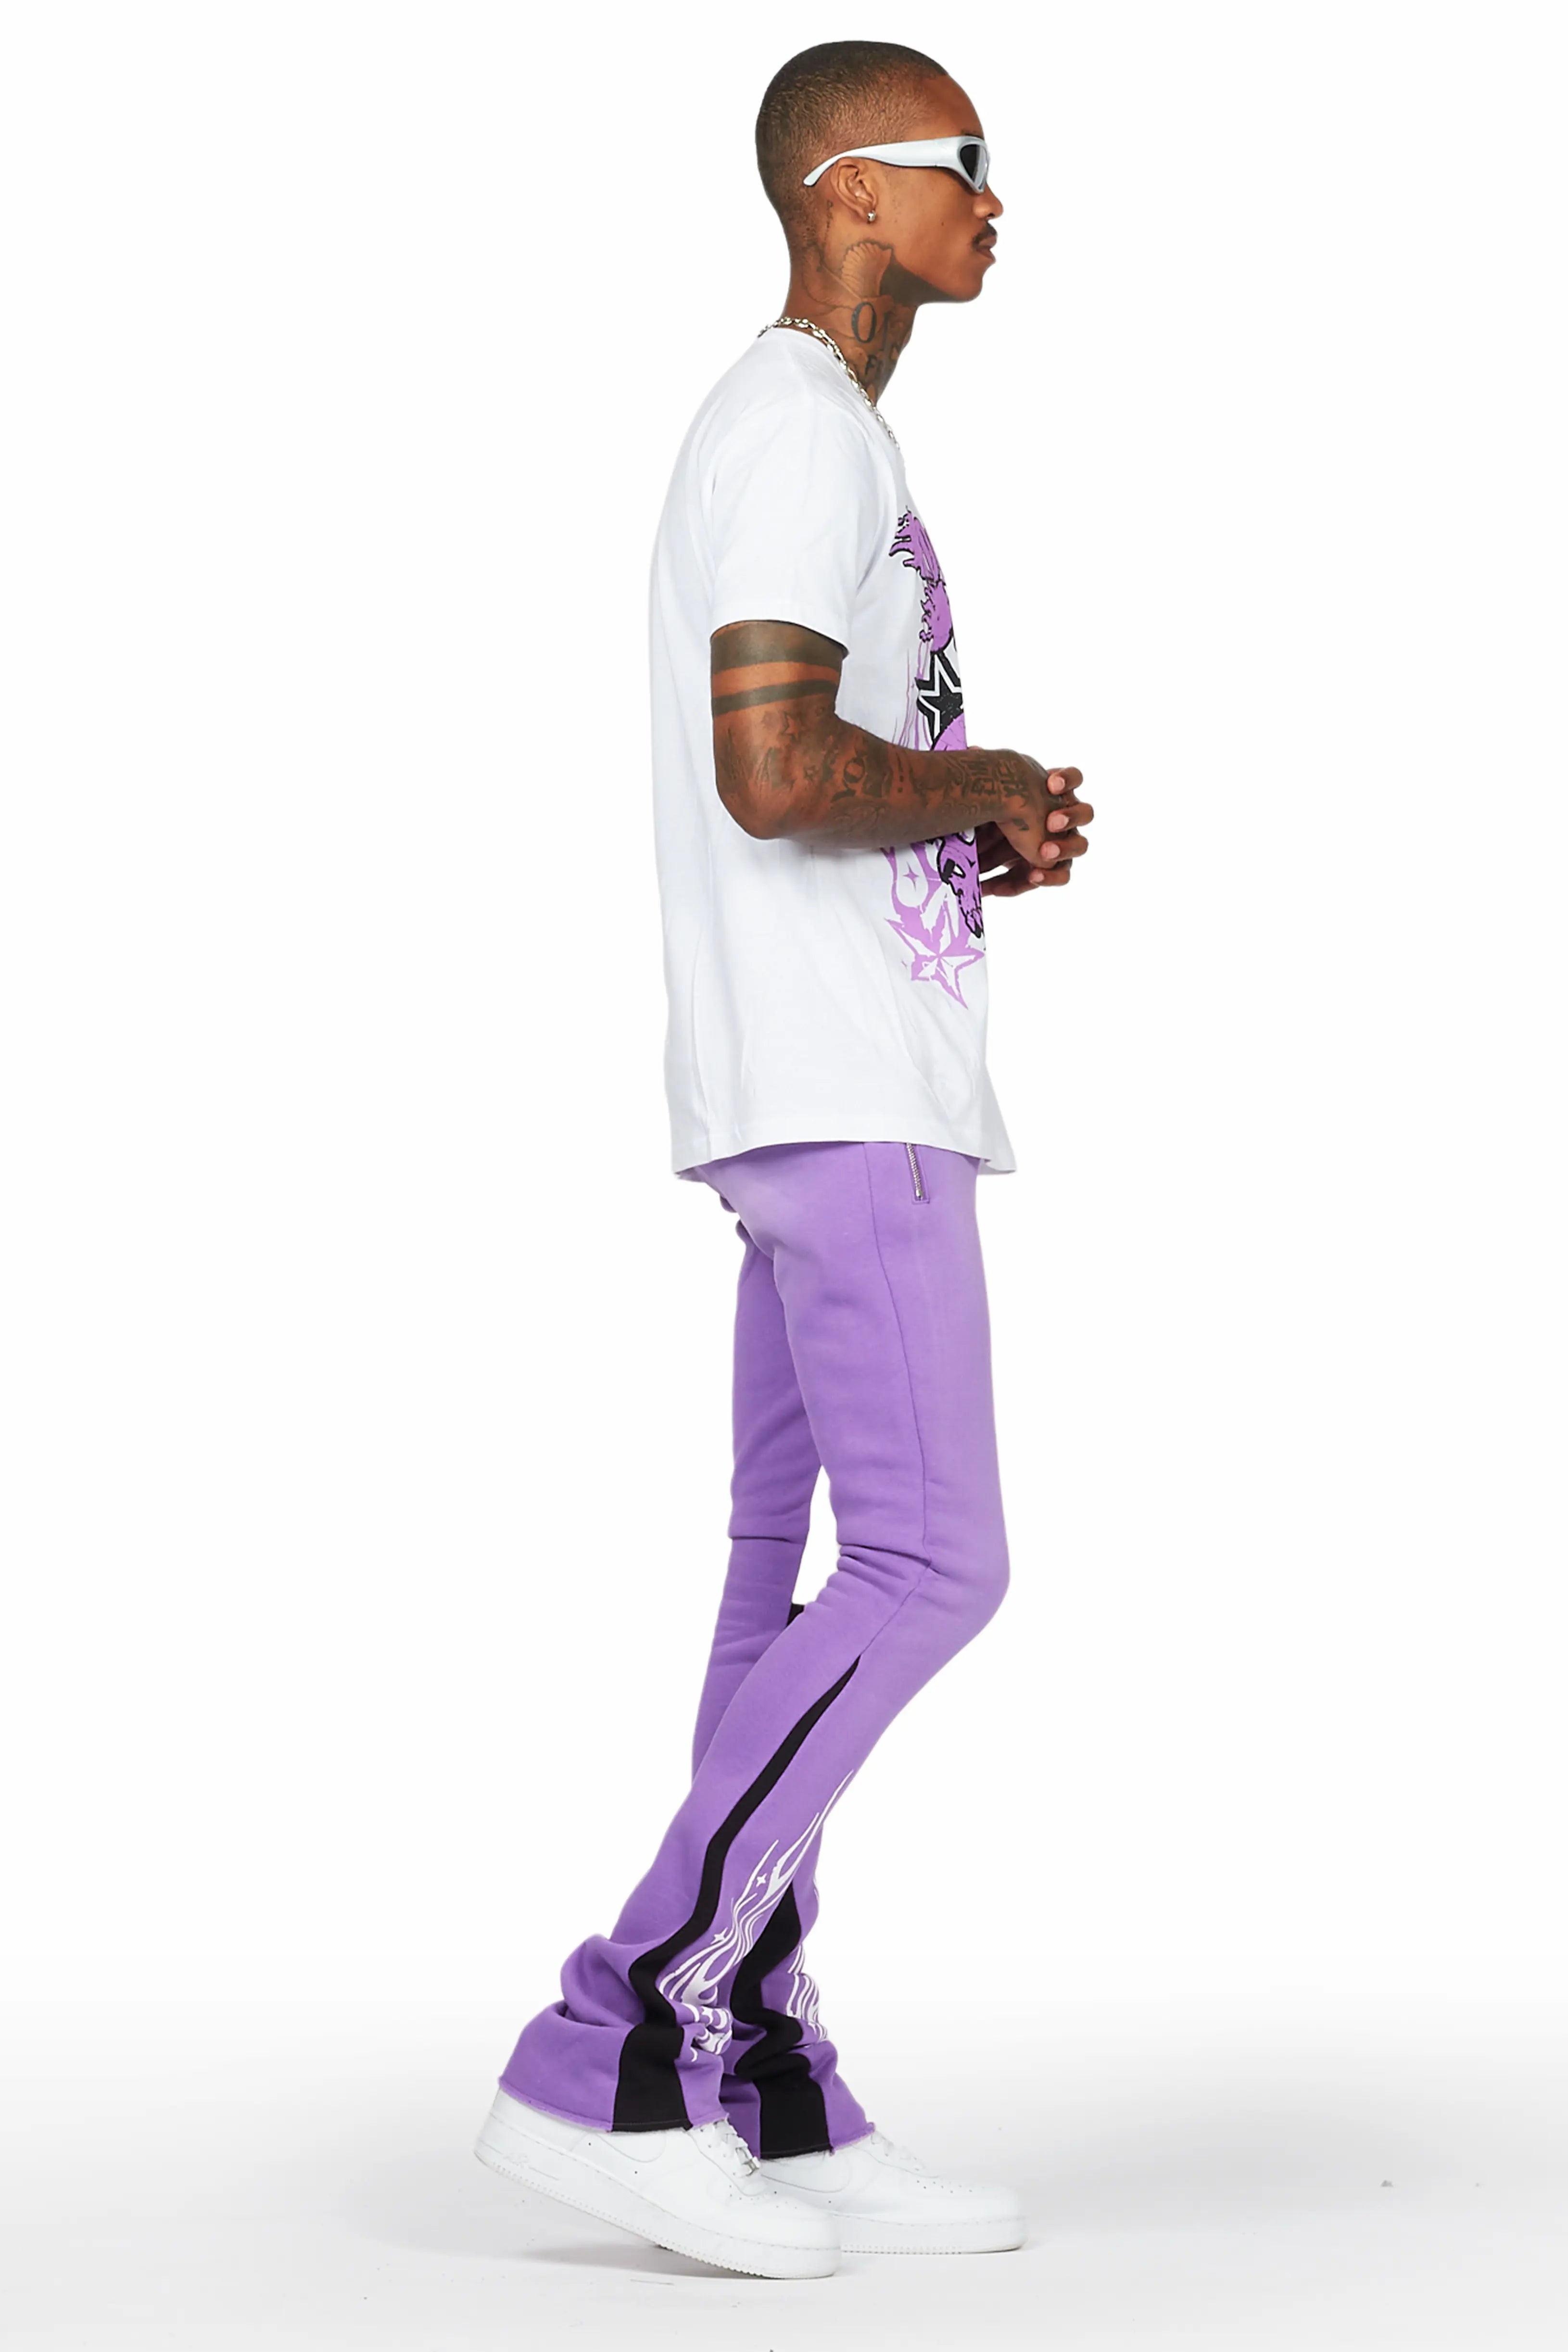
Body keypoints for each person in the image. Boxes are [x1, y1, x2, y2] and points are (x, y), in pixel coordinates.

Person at [474, 40, 1093, 2279]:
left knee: (782, 1573)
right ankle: (614, 2036)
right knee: (932, 1562)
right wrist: (981, 771)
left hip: (813, 1072)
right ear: (848, 194)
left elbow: (818, 768)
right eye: (961, 165)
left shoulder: (829, 434)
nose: (995, 201)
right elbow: (771, 767)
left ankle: (752, 2071)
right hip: (845, 1095)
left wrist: (965, 823)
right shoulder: (795, 429)